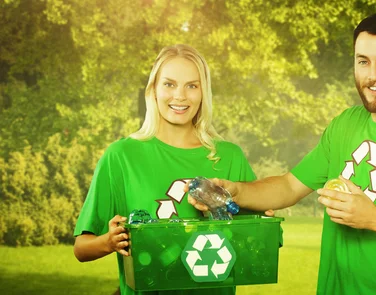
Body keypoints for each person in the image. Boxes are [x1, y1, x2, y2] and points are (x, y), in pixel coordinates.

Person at [189, 12, 376, 295]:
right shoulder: (345, 124)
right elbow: (290, 185)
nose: (373, 75)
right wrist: (236, 191)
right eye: (363, 62)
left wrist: (374, 218)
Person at [73, 44, 257, 295]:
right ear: (153, 90)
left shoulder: (228, 157)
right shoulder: (121, 156)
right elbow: (81, 249)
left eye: (192, 85)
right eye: (169, 84)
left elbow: (260, 243)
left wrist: (252, 225)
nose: (180, 96)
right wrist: (109, 241)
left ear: (204, 92)